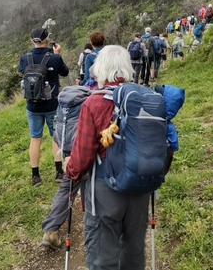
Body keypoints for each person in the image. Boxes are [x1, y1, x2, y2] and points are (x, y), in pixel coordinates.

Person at [65, 45, 149, 270]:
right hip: (140, 189)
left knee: (103, 259)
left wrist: (70, 170)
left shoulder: (93, 103)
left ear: (100, 68)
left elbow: (82, 157)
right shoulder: (146, 99)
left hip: (104, 192)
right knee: (133, 253)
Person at [18, 27, 70, 186]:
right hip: (52, 105)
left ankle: (35, 176)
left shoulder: (25, 58)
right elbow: (65, 73)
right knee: (56, 137)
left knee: (35, 139)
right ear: (48, 39)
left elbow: (21, 71)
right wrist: (57, 55)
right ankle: (59, 172)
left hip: (32, 106)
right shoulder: (54, 58)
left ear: (31, 41)